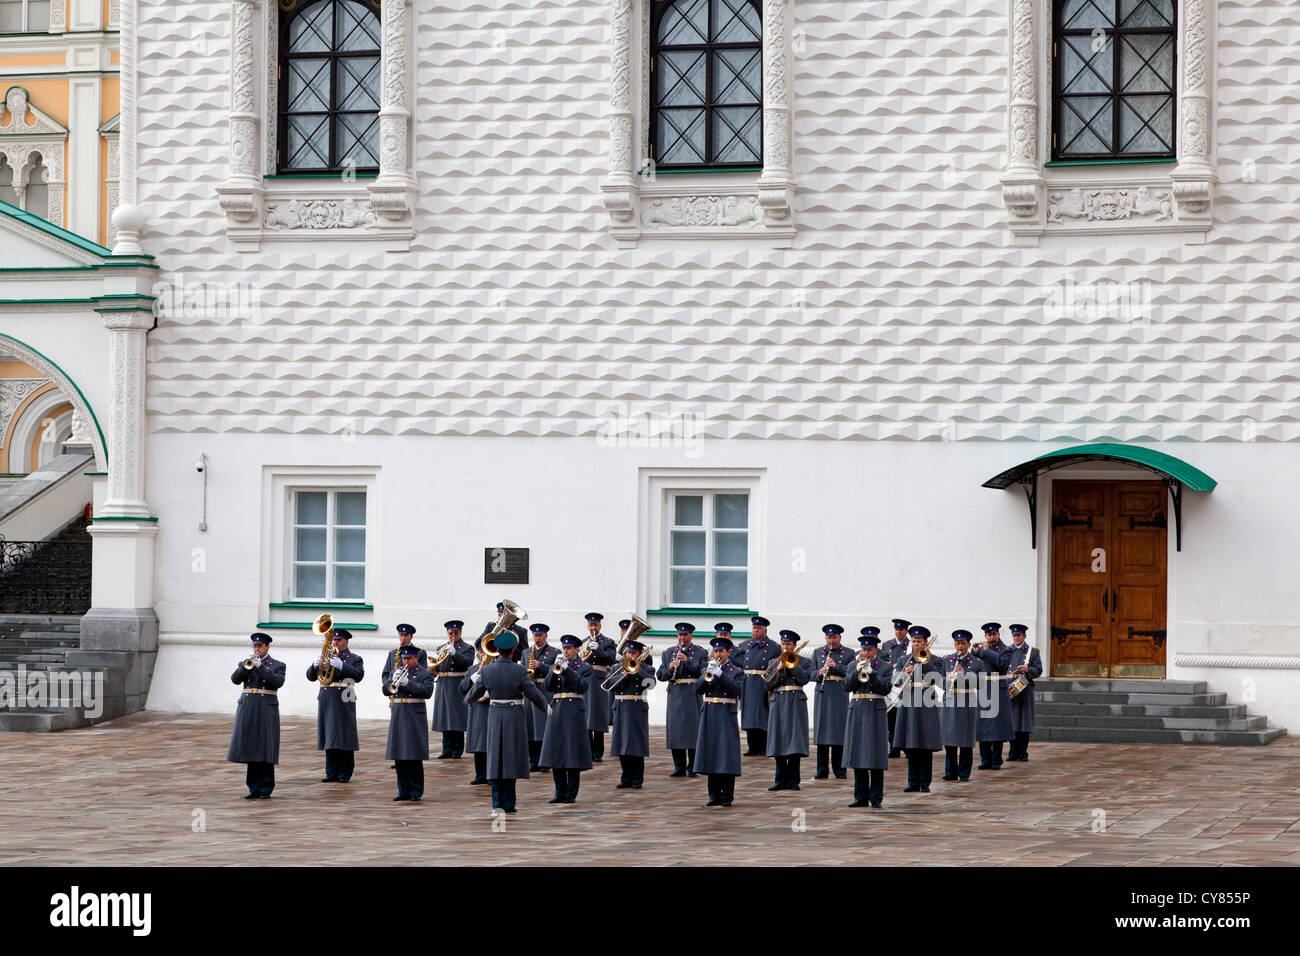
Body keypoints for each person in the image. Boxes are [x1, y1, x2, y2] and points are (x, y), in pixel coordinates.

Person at [464, 628, 549, 813]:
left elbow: (470, 696)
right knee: (511, 758)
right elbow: (533, 694)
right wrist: (547, 708)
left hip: (494, 715)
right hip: (514, 716)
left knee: (495, 758)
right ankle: (509, 803)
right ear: (512, 651)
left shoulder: (486, 671)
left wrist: (470, 700)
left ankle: (497, 803)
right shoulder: (519, 670)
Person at [227, 633, 286, 799]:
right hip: (248, 707)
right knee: (251, 746)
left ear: (267, 646)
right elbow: (235, 679)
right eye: (255, 646)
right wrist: (247, 667)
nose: (257, 649)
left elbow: (277, 682)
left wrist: (261, 668)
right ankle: (253, 787)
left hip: (266, 706)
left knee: (265, 746)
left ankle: (266, 787)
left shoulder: (277, 665)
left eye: (260, 646)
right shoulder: (246, 663)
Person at [306, 626, 364, 783]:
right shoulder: (327, 655)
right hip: (326, 696)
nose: (335, 643)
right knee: (329, 734)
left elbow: (358, 675)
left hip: (345, 696)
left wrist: (342, 665)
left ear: (346, 641)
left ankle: (345, 772)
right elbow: (311, 677)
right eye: (334, 640)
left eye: (338, 640)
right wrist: (314, 666)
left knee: (345, 733)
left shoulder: (354, 658)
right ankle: (331, 772)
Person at [540, 634, 594, 803]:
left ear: (577, 650)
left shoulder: (584, 667)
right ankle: (559, 792)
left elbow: (581, 686)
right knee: (556, 751)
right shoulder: (556, 664)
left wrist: (567, 670)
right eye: (564, 648)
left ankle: (571, 793)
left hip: (573, 710)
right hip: (557, 708)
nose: (566, 651)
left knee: (572, 752)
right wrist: (553, 670)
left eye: (569, 648)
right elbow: (546, 686)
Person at [843, 628, 892, 807]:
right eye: (863, 650)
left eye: (869, 650)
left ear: (875, 650)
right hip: (857, 710)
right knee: (858, 754)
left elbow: (886, 688)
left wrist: (873, 673)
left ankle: (876, 797)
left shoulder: (885, 667)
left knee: (876, 755)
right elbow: (846, 687)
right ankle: (860, 797)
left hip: (875, 711)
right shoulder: (852, 665)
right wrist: (856, 672)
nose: (866, 653)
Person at [891, 625, 942, 793]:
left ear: (926, 642)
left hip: (926, 703)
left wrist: (923, 662)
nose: (916, 644)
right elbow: (895, 681)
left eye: (919, 641)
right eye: (913, 641)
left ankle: (925, 783)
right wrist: (904, 674)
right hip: (908, 703)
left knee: (925, 745)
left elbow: (938, 679)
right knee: (910, 744)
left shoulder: (934, 659)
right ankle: (912, 782)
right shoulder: (903, 659)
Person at [694, 634, 743, 807]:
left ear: (729, 652)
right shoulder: (707, 668)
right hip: (709, 714)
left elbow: (736, 690)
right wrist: (707, 674)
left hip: (726, 715)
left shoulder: (736, 671)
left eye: (721, 651)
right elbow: (698, 689)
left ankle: (727, 795)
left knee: (726, 754)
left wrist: (720, 674)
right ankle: (713, 795)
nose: (718, 655)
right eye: (715, 651)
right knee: (712, 753)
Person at [655, 622, 708, 776]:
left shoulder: (700, 652)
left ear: (691, 635)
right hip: (675, 693)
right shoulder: (668, 652)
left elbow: (703, 671)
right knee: (675, 731)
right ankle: (679, 767)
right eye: (680, 635)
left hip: (692, 693)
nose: (682, 638)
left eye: (685, 635)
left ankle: (693, 767)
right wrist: (669, 668)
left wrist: (687, 661)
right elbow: (660, 675)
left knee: (693, 731)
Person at [383, 645, 435, 801]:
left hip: (414, 715)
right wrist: (392, 680)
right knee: (399, 755)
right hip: (399, 713)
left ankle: (416, 790)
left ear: (416, 659)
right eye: (404, 658)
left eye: (408, 658)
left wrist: (408, 683)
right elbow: (385, 690)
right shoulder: (395, 671)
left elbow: (427, 692)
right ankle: (403, 790)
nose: (405, 661)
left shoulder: (425, 673)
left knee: (413, 754)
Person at [764, 629, 813, 791]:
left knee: (794, 741)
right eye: (783, 644)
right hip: (778, 701)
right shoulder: (773, 661)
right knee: (778, 740)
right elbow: (767, 684)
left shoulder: (803, 661)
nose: (785, 647)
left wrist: (792, 665)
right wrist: (778, 668)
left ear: (794, 645)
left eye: (788, 644)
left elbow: (805, 679)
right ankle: (780, 780)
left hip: (795, 701)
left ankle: (793, 780)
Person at [607, 636, 655, 790]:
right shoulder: (617, 668)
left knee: (636, 744)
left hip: (637, 707)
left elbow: (651, 683)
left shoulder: (647, 668)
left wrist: (637, 670)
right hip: (620, 706)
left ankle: (637, 778)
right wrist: (623, 674)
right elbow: (608, 684)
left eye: (633, 653)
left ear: (640, 654)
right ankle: (625, 777)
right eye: (628, 653)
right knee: (622, 743)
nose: (630, 656)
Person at [939, 630, 984, 782]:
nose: (960, 646)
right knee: (949, 737)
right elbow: (938, 681)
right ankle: (950, 771)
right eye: (958, 643)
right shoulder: (947, 660)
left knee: (965, 738)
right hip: (950, 699)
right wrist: (948, 678)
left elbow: (982, 682)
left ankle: (964, 772)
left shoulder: (976, 662)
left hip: (966, 701)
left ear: (968, 645)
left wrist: (965, 676)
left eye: (963, 644)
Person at [733, 615, 780, 755]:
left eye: (759, 628)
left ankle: (764, 747)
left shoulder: (774, 647)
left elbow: (776, 667)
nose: (756, 630)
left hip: (763, 683)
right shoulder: (743, 646)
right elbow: (736, 664)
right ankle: (752, 747)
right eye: (754, 628)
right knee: (748, 716)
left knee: (763, 715)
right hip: (747, 683)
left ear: (765, 630)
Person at [812, 623, 853, 779]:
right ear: (825, 638)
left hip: (838, 694)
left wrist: (836, 666)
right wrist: (818, 672)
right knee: (821, 733)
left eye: (834, 637)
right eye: (829, 637)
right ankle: (821, 770)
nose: (832, 640)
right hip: (822, 695)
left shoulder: (848, 653)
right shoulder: (817, 652)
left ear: (840, 637)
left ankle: (839, 770)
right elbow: (809, 672)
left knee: (838, 733)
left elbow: (851, 672)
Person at [432, 620, 475, 759]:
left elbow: (468, 663)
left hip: (457, 683)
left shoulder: (467, 648)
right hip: (443, 684)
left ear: (460, 633)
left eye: (456, 633)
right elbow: (437, 665)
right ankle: (446, 749)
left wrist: (455, 653)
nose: (453, 635)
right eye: (451, 633)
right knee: (445, 717)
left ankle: (457, 750)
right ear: (447, 633)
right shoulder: (441, 648)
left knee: (457, 717)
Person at [975, 622, 1013, 770]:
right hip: (984, 688)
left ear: (998, 634)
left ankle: (996, 759)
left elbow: (1002, 664)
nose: (991, 637)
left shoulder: (1006, 649)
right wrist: (975, 652)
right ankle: (985, 760)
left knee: (998, 727)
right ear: (985, 636)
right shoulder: (982, 650)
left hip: (999, 690)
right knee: (983, 726)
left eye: (994, 634)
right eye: (989, 635)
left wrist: (985, 651)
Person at [580, 612, 617, 761]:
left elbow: (611, 659)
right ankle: (588, 750)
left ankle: (598, 752)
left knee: (598, 715)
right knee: (586, 715)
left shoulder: (608, 642)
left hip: (599, 680)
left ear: (600, 625)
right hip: (585, 680)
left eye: (595, 625)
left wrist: (599, 649)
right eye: (590, 625)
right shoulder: (583, 642)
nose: (593, 628)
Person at [523, 623, 559, 770]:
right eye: (535, 635)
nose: (537, 638)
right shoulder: (526, 652)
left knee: (544, 728)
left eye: (540, 635)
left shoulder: (554, 652)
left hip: (545, 690)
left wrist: (541, 666)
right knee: (531, 728)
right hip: (530, 692)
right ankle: (533, 761)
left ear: (546, 636)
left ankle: (545, 762)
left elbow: (557, 670)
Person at [459, 637, 493, 785]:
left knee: (491, 743)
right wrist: (472, 678)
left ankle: (491, 775)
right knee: (479, 743)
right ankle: (480, 775)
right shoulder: (472, 669)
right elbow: (462, 688)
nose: (483, 655)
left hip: (491, 708)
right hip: (477, 709)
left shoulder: (494, 668)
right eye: (480, 652)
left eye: (485, 652)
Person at [1006, 624, 1042, 761]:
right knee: (1013, 721)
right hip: (1011, 689)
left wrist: (1028, 670)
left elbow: (1038, 670)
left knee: (1024, 722)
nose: (1016, 638)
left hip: (1025, 689)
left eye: (1019, 635)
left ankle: (1022, 752)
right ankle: (1012, 751)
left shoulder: (1032, 652)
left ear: (1024, 636)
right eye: (1014, 635)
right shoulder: (1007, 651)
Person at [883, 618, 910, 758]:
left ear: (906, 631)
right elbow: (882, 661)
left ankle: (905, 747)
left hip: (905, 685)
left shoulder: (911, 645)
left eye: (901, 630)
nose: (899, 632)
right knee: (892, 718)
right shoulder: (887, 645)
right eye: (897, 629)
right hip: (892, 685)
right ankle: (893, 747)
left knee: (904, 716)